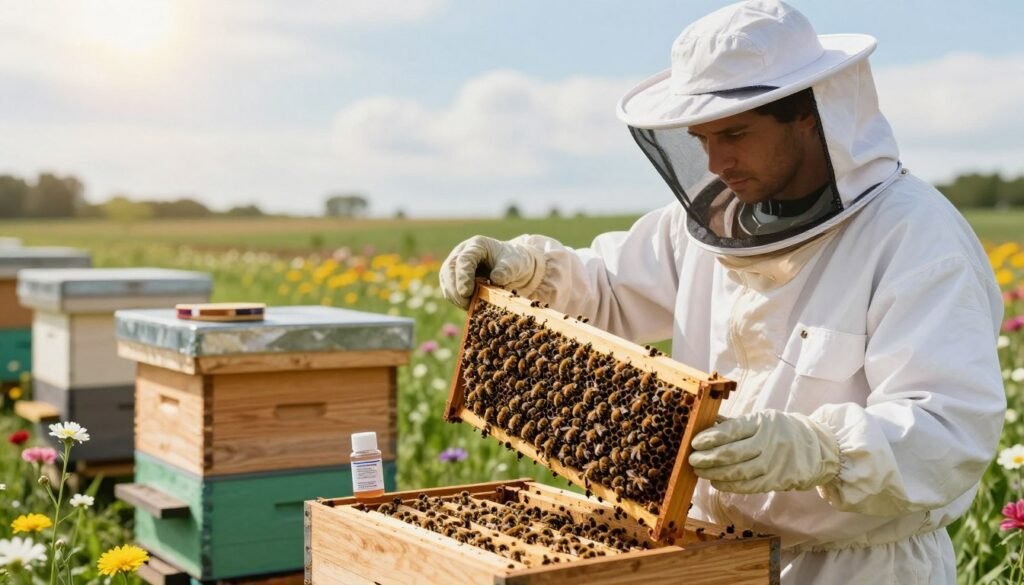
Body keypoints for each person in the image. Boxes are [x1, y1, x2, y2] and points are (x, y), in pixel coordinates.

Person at [439, 1, 1005, 583]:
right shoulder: (716, 220)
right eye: (701, 138)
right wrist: (530, 272)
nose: (716, 161)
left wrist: (818, 448)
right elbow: (609, 290)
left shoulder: (914, 236)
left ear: (808, 114)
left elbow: (950, 429)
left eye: (734, 133)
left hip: (858, 567)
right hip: (709, 554)